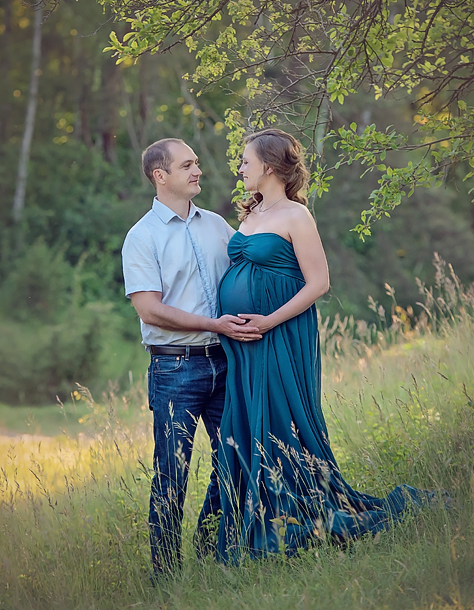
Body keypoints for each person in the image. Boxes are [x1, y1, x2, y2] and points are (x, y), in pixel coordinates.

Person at [215, 128, 432, 563]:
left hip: (279, 333)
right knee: (250, 420)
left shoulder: (297, 216)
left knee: (281, 417)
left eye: (245, 160)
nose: (239, 168)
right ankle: (258, 516)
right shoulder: (251, 214)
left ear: (270, 167)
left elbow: (319, 283)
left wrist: (268, 321)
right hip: (244, 342)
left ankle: (294, 516)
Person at [122, 138, 262, 578]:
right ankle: (164, 574)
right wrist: (215, 324)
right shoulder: (141, 237)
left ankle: (210, 551)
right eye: (187, 165)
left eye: (197, 163)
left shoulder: (218, 225)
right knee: (171, 474)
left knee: (235, 458)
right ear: (160, 176)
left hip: (228, 361)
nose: (197, 170)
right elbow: (149, 308)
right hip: (175, 369)